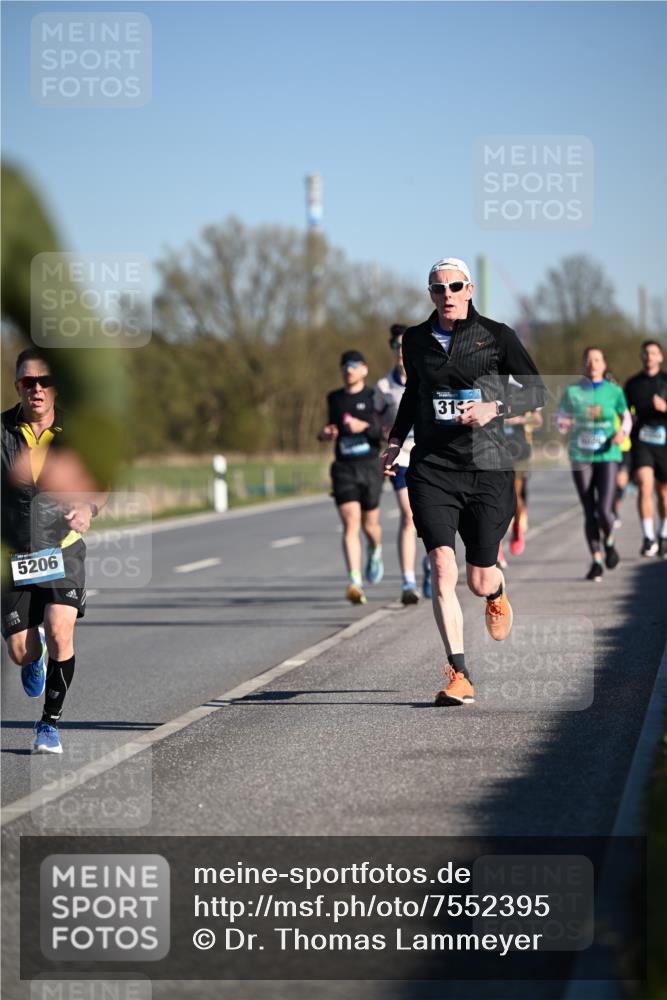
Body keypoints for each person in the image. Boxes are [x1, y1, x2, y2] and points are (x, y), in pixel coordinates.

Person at [381, 257, 546, 706]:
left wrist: (496, 408)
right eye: (438, 288)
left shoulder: (497, 335)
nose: (447, 294)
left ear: (469, 289)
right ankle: (460, 673)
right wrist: (396, 441)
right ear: (430, 293)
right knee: (440, 566)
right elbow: (415, 395)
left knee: (476, 579)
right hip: (433, 468)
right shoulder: (415, 339)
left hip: (488, 467)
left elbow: (536, 390)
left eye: (455, 286)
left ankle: (495, 592)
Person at [2, 348, 105, 754]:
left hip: (62, 549)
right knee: (20, 650)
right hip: (14, 553)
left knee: (61, 628)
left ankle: (49, 724)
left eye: (44, 381)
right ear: (18, 387)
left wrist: (89, 507)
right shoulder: (2, 431)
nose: (37, 389)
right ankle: (34, 655)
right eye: (29, 382)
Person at [558, 347, 631, 581]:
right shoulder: (573, 391)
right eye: (588, 360)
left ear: (604, 363)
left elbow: (626, 417)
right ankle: (597, 560)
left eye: (597, 360)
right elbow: (561, 416)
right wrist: (563, 423)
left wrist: (623, 433)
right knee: (589, 510)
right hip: (581, 455)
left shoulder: (614, 391)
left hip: (608, 453)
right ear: (583, 364)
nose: (592, 364)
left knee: (603, 510)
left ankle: (609, 541)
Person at [319, 350, 384, 605]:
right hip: (344, 468)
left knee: (370, 526)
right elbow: (331, 426)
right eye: (345, 365)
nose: (349, 369)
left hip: (369, 467)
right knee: (350, 523)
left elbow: (385, 431)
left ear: (364, 370)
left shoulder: (374, 397)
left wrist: (365, 427)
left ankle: (375, 549)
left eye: (354, 365)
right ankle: (355, 581)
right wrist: (327, 432)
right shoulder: (334, 398)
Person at [373, 324, 431, 604]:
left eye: (404, 345)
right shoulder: (384, 387)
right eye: (396, 346)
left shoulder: (430, 377)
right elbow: (372, 421)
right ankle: (408, 582)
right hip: (402, 458)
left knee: (432, 518)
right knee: (408, 517)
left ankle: (432, 565)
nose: (400, 351)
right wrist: (384, 431)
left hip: (431, 454)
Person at [624, 340, 667, 557]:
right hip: (642, 443)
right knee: (644, 485)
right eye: (646, 353)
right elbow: (624, 414)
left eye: (654, 353)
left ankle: (664, 534)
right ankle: (649, 538)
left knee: (664, 494)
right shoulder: (632, 385)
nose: (649, 356)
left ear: (660, 357)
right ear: (642, 357)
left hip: (665, 442)